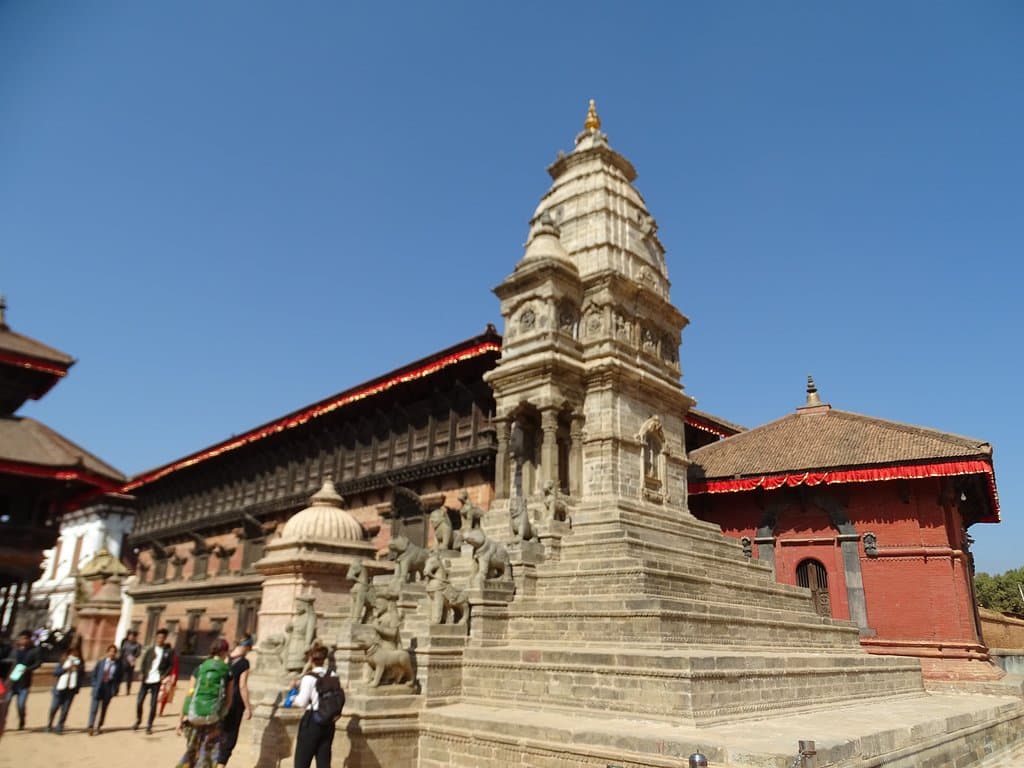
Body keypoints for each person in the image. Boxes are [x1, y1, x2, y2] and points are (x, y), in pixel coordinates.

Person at [176, 638, 233, 768]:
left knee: (192, 751)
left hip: (194, 716)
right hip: (214, 718)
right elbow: (229, 700)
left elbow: (190, 694)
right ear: (224, 652)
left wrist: (180, 719)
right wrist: (221, 716)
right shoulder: (227, 671)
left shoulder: (200, 668)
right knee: (209, 753)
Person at [292, 645, 341, 768]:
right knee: (323, 761)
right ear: (324, 659)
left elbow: (302, 702)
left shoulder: (308, 678)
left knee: (302, 761)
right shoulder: (333, 675)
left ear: (310, 659)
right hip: (328, 721)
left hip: (312, 721)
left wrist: (293, 698)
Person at [216, 635, 254, 767]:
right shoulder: (244, 662)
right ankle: (221, 764)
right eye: (249, 648)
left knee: (217, 733)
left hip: (219, 700)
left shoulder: (225, 658)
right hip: (234, 702)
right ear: (246, 647)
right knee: (230, 736)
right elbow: (242, 686)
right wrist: (248, 707)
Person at [135, 628, 174, 734]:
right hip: (146, 679)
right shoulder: (150, 650)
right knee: (139, 701)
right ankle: (138, 719)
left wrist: (164, 675)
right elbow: (144, 662)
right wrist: (142, 672)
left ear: (165, 639)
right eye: (159, 637)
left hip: (157, 680)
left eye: (162, 637)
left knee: (153, 704)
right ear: (156, 638)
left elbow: (170, 665)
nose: (160, 639)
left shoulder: (168, 652)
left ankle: (149, 725)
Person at [4, 630, 41, 731]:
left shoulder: (34, 650)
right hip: (11, 681)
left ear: (29, 640)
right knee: (5, 704)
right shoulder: (13, 649)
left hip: (24, 682)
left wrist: (28, 669)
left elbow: (38, 663)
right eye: (21, 638)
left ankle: (21, 721)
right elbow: (6, 660)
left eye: (25, 638)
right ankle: (3, 723)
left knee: (20, 705)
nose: (22, 640)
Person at [47, 636, 83, 734]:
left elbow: (81, 676)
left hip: (71, 688)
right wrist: (66, 669)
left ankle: (60, 726)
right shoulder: (63, 660)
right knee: (54, 707)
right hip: (59, 687)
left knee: (65, 709)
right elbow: (56, 673)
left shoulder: (79, 663)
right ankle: (50, 723)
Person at [87, 644, 121, 735]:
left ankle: (99, 725)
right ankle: (90, 726)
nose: (112, 654)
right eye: (110, 651)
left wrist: (115, 689)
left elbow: (118, 678)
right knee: (94, 708)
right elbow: (94, 673)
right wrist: (94, 684)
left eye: (114, 652)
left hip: (108, 687)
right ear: (107, 652)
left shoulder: (118, 664)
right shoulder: (101, 662)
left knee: (103, 709)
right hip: (99, 686)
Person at [159, 648, 181, 716]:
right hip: (166, 677)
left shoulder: (173, 658)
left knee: (163, 694)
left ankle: (160, 710)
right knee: (164, 695)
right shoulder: (174, 658)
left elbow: (175, 669)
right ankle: (160, 710)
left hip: (167, 678)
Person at [119, 629, 142, 695]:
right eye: (130, 635)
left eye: (133, 636)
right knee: (119, 677)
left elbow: (138, 654)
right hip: (122, 662)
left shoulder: (138, 645)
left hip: (130, 663)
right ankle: (116, 690)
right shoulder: (124, 642)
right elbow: (121, 651)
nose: (131, 637)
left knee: (129, 678)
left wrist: (132, 657)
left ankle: (128, 690)